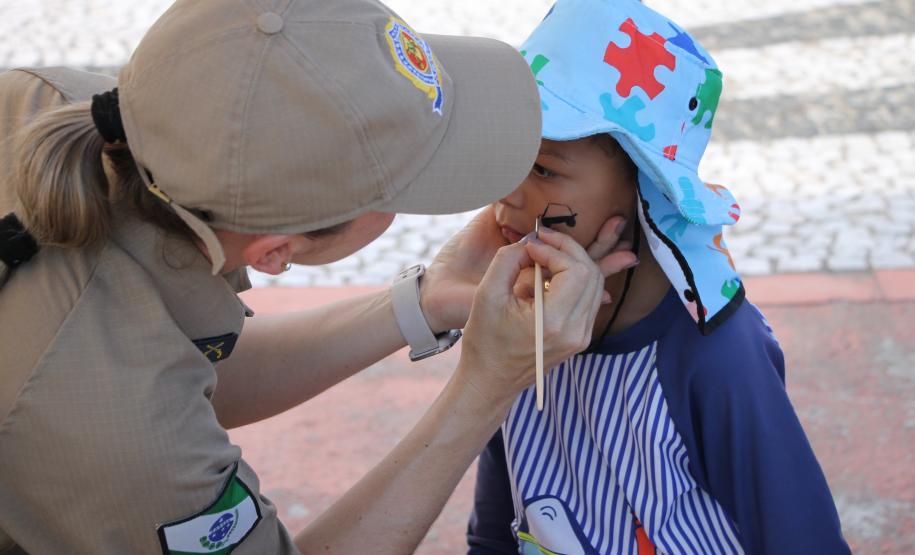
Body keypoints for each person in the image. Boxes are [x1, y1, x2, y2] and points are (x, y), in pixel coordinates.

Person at [0, 1, 640, 553]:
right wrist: (487, 386)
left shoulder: (79, 110)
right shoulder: (120, 442)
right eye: (407, 180)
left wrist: (423, 302)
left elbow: (178, 365)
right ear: (276, 252)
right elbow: (125, 396)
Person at [466, 1, 851, 553]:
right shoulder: (515, 328)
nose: (507, 190)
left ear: (646, 185)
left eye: (544, 169)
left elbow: (799, 534)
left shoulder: (716, 355)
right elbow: (494, 529)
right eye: (507, 155)